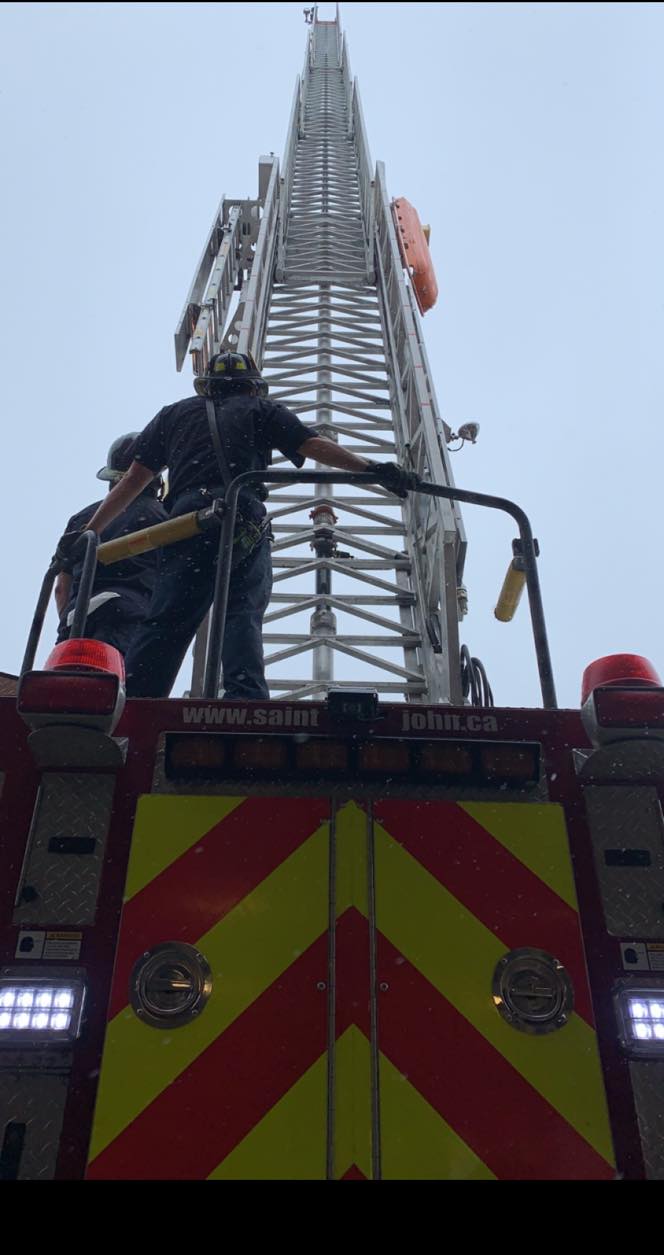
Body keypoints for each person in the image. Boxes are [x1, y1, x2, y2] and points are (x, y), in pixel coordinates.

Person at [57, 352, 415, 699]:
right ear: (252, 385)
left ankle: (137, 702)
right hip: (241, 516)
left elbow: (134, 480)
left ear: (207, 385)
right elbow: (313, 445)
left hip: (186, 523)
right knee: (241, 613)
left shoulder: (175, 414)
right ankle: (245, 697)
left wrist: (91, 531)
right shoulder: (261, 409)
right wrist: (372, 470)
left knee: (168, 619)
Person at [54, 433, 167, 654]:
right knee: (123, 673)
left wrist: (72, 619)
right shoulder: (165, 519)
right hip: (130, 612)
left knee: (66, 672)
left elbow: (60, 588)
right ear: (157, 482)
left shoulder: (82, 520)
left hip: (76, 616)